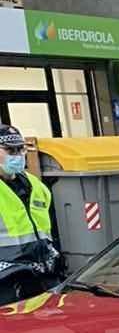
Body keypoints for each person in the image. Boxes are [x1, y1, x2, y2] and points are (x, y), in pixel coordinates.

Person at [0, 125, 59, 302]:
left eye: (21, 149)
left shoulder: (36, 186)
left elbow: (50, 231)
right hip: (5, 284)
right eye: (10, 150)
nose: (17, 155)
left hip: (42, 278)